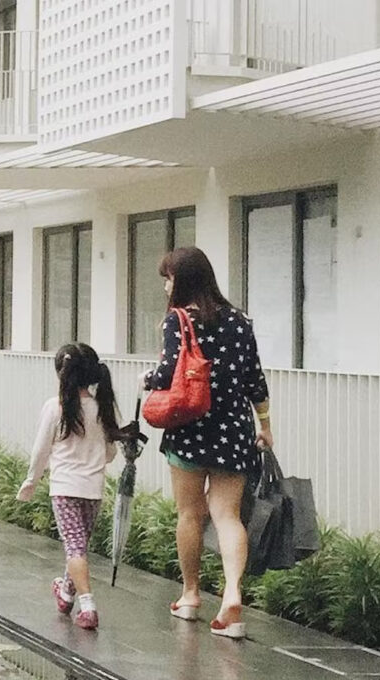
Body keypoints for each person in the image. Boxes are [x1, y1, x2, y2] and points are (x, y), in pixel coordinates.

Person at [144, 246, 272, 641]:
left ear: (181, 281)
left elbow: (167, 374)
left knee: (189, 514)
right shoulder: (240, 321)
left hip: (189, 427)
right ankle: (232, 597)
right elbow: (255, 379)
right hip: (234, 430)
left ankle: (190, 595)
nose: (165, 285)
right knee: (228, 516)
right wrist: (265, 425)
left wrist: (147, 381)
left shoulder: (178, 320)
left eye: (168, 277)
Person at [16, 343, 120, 629]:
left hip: (64, 488)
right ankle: (65, 592)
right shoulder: (101, 407)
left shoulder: (55, 407)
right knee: (78, 545)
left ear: (62, 373)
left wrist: (31, 482)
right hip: (93, 489)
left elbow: (40, 451)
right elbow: (111, 453)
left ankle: (87, 606)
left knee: (75, 548)